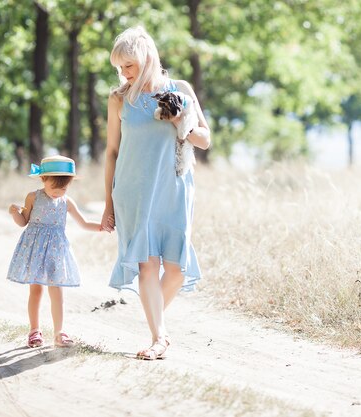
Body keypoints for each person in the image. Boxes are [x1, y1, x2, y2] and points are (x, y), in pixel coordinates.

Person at [101, 26, 211, 360]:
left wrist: (181, 121)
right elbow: (111, 152)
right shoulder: (119, 98)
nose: (124, 73)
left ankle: (155, 321)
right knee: (147, 266)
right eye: (119, 68)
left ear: (147, 58)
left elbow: (205, 140)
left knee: (175, 271)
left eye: (129, 66)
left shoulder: (180, 89)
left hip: (174, 189)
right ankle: (159, 337)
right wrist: (108, 202)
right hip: (133, 190)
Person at [7, 155, 101, 348]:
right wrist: (14, 213)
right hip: (35, 250)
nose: (59, 193)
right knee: (36, 290)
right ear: (43, 179)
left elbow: (83, 223)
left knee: (57, 291)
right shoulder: (33, 197)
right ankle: (34, 331)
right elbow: (23, 222)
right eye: (54, 188)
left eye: (64, 189)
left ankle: (59, 333)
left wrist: (102, 226)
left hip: (56, 252)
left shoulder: (67, 202)